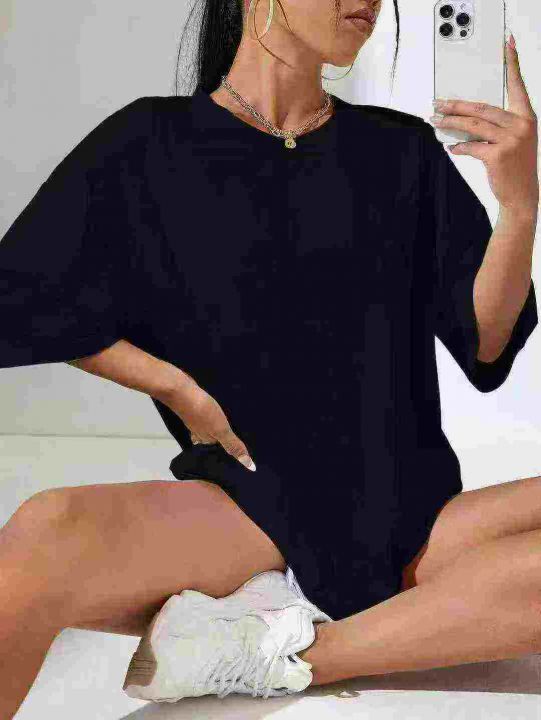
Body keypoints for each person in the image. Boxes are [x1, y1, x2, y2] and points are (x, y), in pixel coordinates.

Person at [0, 0, 539, 712]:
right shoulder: (149, 143)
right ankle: (348, 627)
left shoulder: (399, 150)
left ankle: (273, 653)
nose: (369, 2)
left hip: (413, 524)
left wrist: (519, 207)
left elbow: (486, 344)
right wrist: (173, 386)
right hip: (243, 514)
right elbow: (18, 299)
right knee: (47, 530)